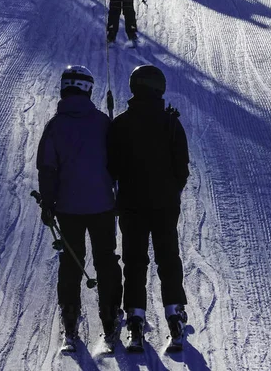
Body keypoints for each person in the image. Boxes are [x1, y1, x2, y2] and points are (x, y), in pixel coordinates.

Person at [37, 65, 123, 350]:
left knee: (71, 264)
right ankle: (110, 319)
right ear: (88, 89)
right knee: (106, 259)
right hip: (102, 206)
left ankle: (70, 323)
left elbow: (47, 168)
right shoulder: (102, 123)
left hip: (68, 208)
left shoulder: (55, 126)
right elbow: (116, 163)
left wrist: (48, 204)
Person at [107, 65, 190, 351]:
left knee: (135, 262)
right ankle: (175, 316)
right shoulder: (171, 123)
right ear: (158, 89)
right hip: (165, 205)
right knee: (168, 259)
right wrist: (173, 191)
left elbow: (112, 168)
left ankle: (135, 322)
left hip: (132, 205)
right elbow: (182, 167)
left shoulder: (120, 124)